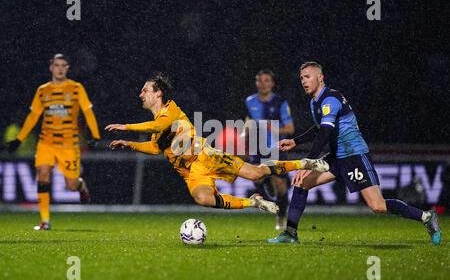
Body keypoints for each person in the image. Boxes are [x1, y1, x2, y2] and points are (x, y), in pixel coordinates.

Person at [268, 61, 441, 245]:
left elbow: (325, 134)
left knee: (377, 205)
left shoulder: (331, 100)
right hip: (337, 156)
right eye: (301, 78)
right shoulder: (315, 102)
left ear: (320, 77)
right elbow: (319, 128)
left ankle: (426, 217)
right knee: (301, 182)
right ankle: (290, 233)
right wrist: (296, 141)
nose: (304, 81)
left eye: (308, 76)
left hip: (354, 156)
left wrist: (308, 162)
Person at [105, 72, 329, 213]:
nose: (140, 94)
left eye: (145, 90)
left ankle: (304, 163)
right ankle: (254, 202)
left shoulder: (170, 110)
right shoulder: (158, 120)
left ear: (159, 93)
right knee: (204, 199)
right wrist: (129, 143)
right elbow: (155, 146)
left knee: (256, 174)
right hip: (192, 172)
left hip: (206, 157)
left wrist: (126, 127)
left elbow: (155, 128)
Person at [7, 54, 101, 230]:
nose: (59, 68)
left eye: (63, 65)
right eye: (56, 65)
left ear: (67, 68)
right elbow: (33, 116)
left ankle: (81, 185)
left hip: (68, 144)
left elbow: (88, 112)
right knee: (43, 175)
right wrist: (19, 139)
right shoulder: (43, 90)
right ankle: (45, 221)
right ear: (51, 67)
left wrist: (95, 136)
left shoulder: (76, 88)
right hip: (46, 142)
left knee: (71, 185)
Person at [244, 69, 294, 230]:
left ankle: (281, 217)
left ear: (272, 84)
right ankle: (267, 183)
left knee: (280, 184)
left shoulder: (280, 102)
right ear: (256, 83)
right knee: (256, 178)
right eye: (260, 80)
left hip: (275, 148)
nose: (263, 84)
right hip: (257, 147)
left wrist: (271, 129)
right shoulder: (249, 101)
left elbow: (290, 128)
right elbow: (247, 122)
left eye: (267, 80)